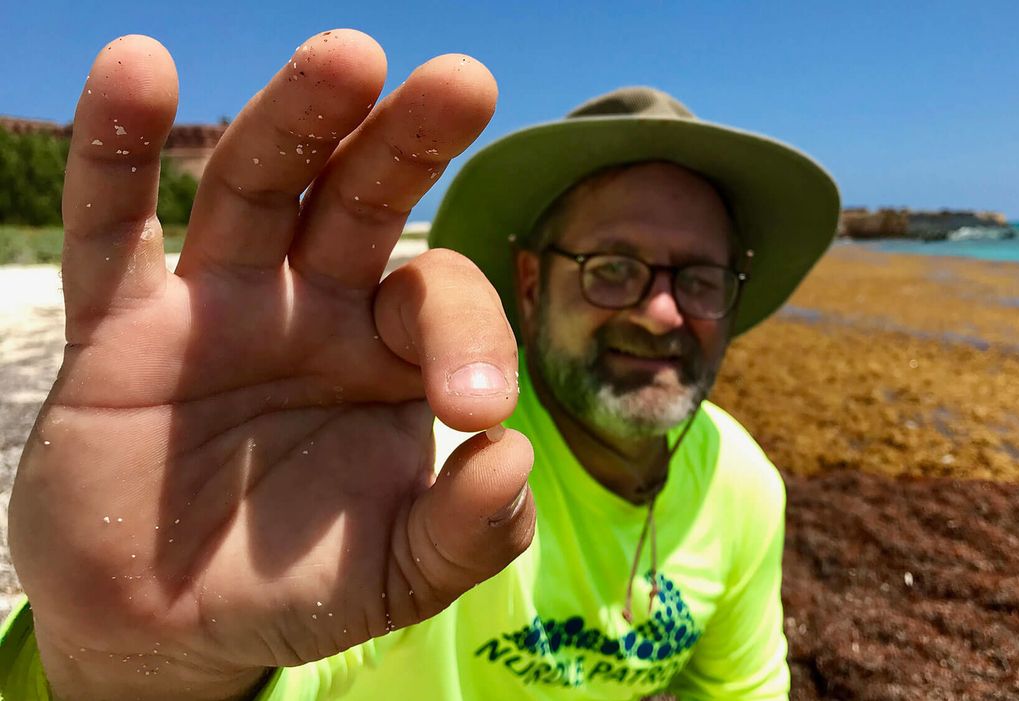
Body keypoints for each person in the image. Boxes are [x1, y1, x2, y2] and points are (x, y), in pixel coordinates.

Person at [0, 30, 838, 700]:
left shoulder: (741, 484)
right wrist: (132, 671)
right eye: (611, 268)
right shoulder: (419, 465)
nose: (661, 313)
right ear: (532, 281)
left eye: (696, 278)